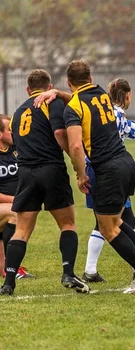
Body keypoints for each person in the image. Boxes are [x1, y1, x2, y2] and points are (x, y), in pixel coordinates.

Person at [62, 60, 135, 294]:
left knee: (108, 229)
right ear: (90, 77)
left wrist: (80, 174)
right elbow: (83, 101)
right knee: (119, 221)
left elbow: (75, 147)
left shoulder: (73, 108)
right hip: (126, 163)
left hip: (107, 169)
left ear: (69, 82)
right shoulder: (102, 95)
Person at [0, 69, 88, 296]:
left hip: (26, 174)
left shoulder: (18, 112)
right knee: (67, 224)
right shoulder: (52, 102)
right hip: (51, 170)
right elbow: (60, 133)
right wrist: (76, 163)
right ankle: (68, 273)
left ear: (28, 90)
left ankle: (8, 283)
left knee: (21, 230)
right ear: (49, 87)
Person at [0, 114, 34, 280]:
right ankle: (10, 267)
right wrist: (15, 199)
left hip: (9, 207)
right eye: (9, 130)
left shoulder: (16, 150)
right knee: (15, 213)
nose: (14, 133)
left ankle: (8, 266)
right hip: (7, 206)